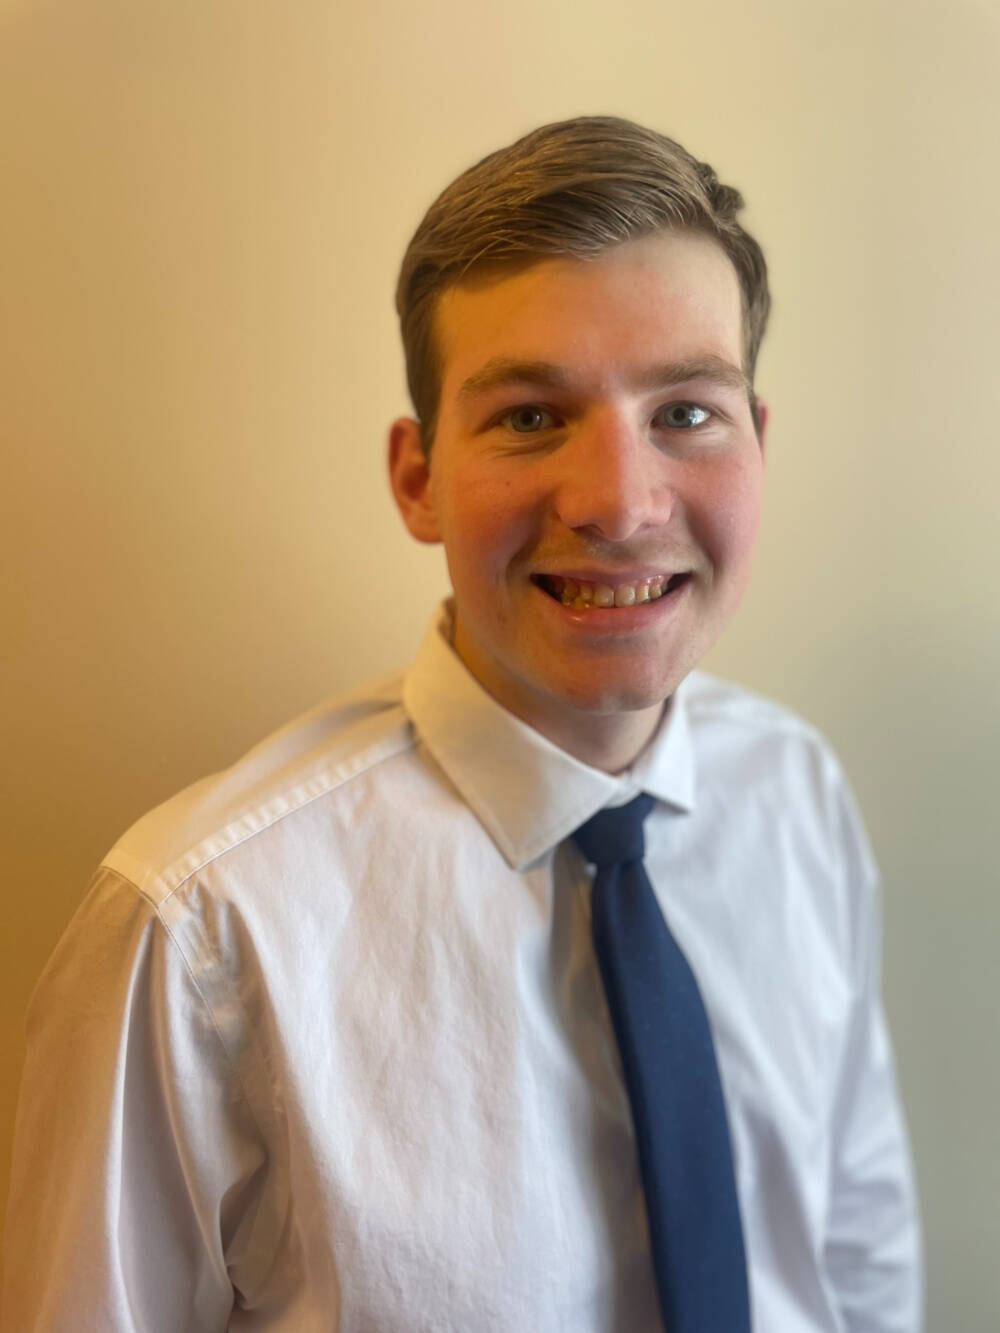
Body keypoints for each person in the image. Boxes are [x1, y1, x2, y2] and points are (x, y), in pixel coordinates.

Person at [2, 116, 921, 1332]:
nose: (619, 504)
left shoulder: (798, 794)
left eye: (685, 412)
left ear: (757, 441)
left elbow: (857, 1259)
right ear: (417, 476)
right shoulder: (202, 934)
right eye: (530, 416)